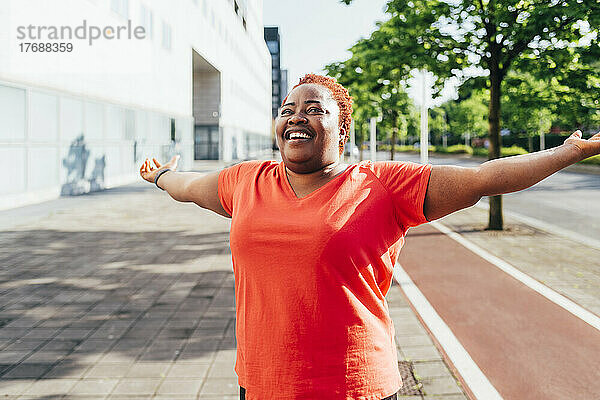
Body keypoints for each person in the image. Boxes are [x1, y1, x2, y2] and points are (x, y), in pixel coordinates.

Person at [140, 74, 600, 400]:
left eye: (314, 109)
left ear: (341, 130)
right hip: (263, 384)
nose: (296, 117)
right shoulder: (245, 181)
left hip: (355, 387)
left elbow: (484, 178)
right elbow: (188, 189)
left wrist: (568, 152)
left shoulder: (383, 185)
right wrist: (161, 175)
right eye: (287, 110)